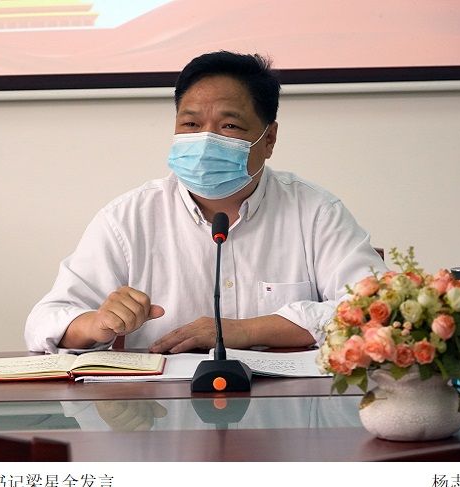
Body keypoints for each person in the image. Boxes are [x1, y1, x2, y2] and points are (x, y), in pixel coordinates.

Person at [25, 51, 387, 354]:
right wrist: (95, 324)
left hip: (288, 405)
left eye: (229, 126)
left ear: (269, 139)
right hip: (162, 410)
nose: (205, 140)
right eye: (191, 124)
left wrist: (245, 331)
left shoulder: (315, 212)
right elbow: (44, 321)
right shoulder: (128, 219)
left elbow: (379, 311)